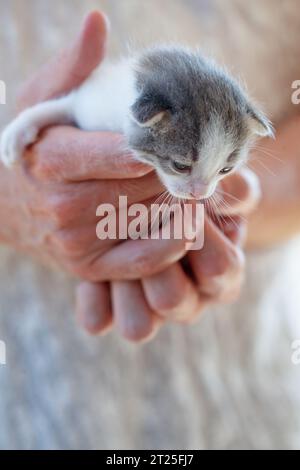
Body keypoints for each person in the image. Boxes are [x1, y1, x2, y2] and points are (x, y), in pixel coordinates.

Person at [0, 0, 300, 450]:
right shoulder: (124, 99)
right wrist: (9, 203)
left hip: (249, 387)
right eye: (181, 164)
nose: (202, 192)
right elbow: (68, 110)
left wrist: (222, 220)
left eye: (220, 172)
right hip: (37, 399)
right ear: (149, 119)